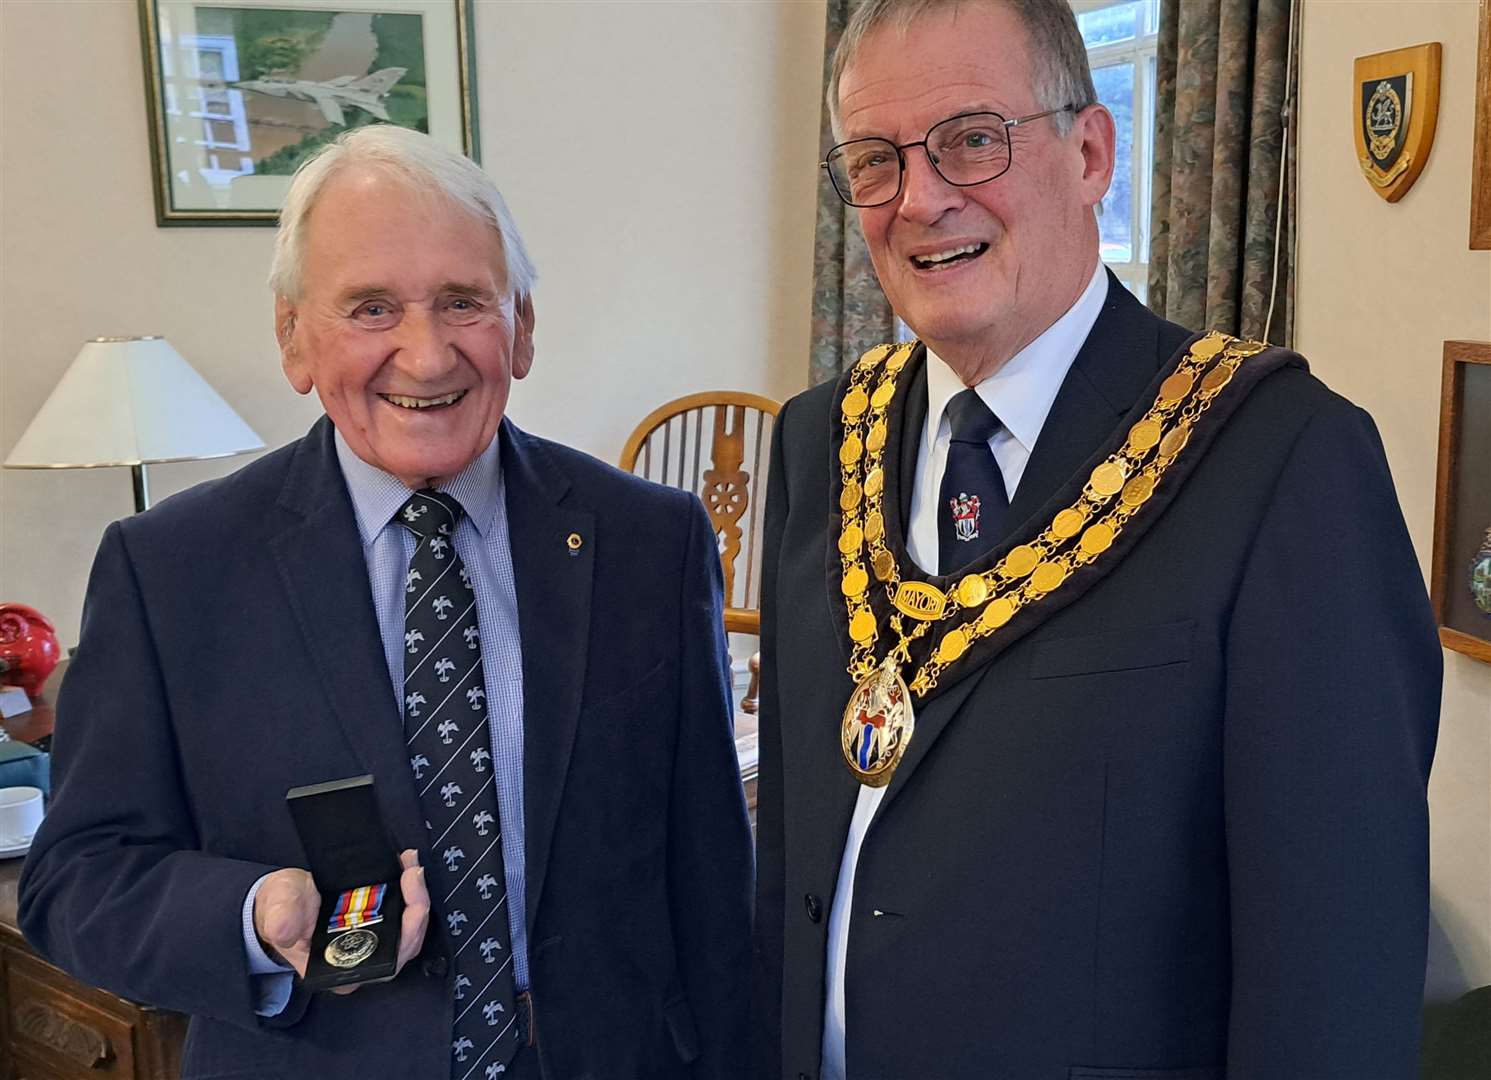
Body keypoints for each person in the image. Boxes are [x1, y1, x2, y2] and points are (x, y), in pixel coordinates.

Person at [751, 2, 1441, 1078]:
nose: (922, 199)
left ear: (1089, 152)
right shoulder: (815, 441)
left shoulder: (1280, 461)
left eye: (972, 140)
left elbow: (1334, 956)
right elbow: (793, 857)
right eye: (875, 161)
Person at [21, 124, 753, 1080]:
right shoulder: (171, 569)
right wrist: (250, 916)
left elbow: (711, 876)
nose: (425, 353)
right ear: (292, 337)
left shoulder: (650, 540)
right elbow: (77, 880)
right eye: (371, 308)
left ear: (521, 325)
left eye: (463, 302)